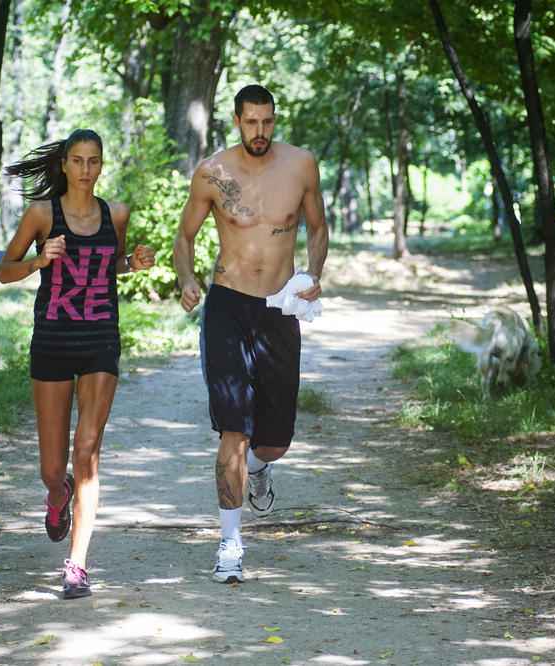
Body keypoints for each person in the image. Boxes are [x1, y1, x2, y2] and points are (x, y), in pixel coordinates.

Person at [172, 84, 329, 583]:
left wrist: (313, 272)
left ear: (273, 119)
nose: (260, 131)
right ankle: (229, 545)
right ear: (236, 120)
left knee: (275, 441)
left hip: (280, 308)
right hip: (228, 306)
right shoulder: (213, 172)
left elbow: (318, 227)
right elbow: (185, 235)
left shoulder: (301, 164)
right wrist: (187, 278)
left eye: (267, 121)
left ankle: (262, 469)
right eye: (251, 122)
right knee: (234, 430)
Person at [0, 129, 155, 599]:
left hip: (100, 340)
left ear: (102, 165)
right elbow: (4, 270)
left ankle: (77, 565)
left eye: (94, 161)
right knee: (53, 468)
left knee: (86, 452)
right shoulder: (43, 214)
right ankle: (56, 494)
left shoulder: (116, 214)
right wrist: (37, 260)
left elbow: (109, 266)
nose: (86, 170)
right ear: (64, 165)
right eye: (78, 161)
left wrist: (134, 261)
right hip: (52, 340)